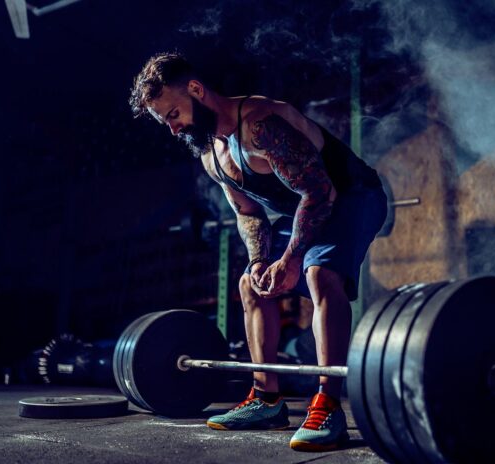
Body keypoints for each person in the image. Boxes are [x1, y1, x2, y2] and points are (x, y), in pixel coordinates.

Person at [129, 52, 386, 452]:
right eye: (166, 122)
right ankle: (266, 399)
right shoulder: (212, 156)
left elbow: (321, 192)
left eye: (174, 114)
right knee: (251, 283)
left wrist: (292, 259)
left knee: (319, 274)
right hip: (307, 208)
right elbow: (248, 214)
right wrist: (261, 261)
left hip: (353, 196)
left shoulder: (260, 124)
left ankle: (328, 404)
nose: (174, 129)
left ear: (196, 89)